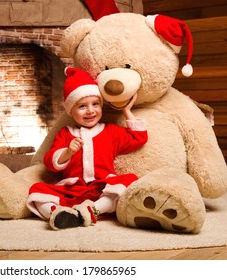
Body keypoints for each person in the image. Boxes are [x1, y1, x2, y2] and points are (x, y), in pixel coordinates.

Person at [26, 67, 148, 230]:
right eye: (82, 106)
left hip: (101, 188)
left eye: (95, 104)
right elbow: (50, 162)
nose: (90, 110)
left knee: (129, 180)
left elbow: (138, 138)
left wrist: (126, 110)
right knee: (37, 190)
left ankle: (93, 211)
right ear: (71, 111)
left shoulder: (110, 132)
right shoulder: (65, 133)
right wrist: (67, 152)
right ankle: (59, 215)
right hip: (73, 190)